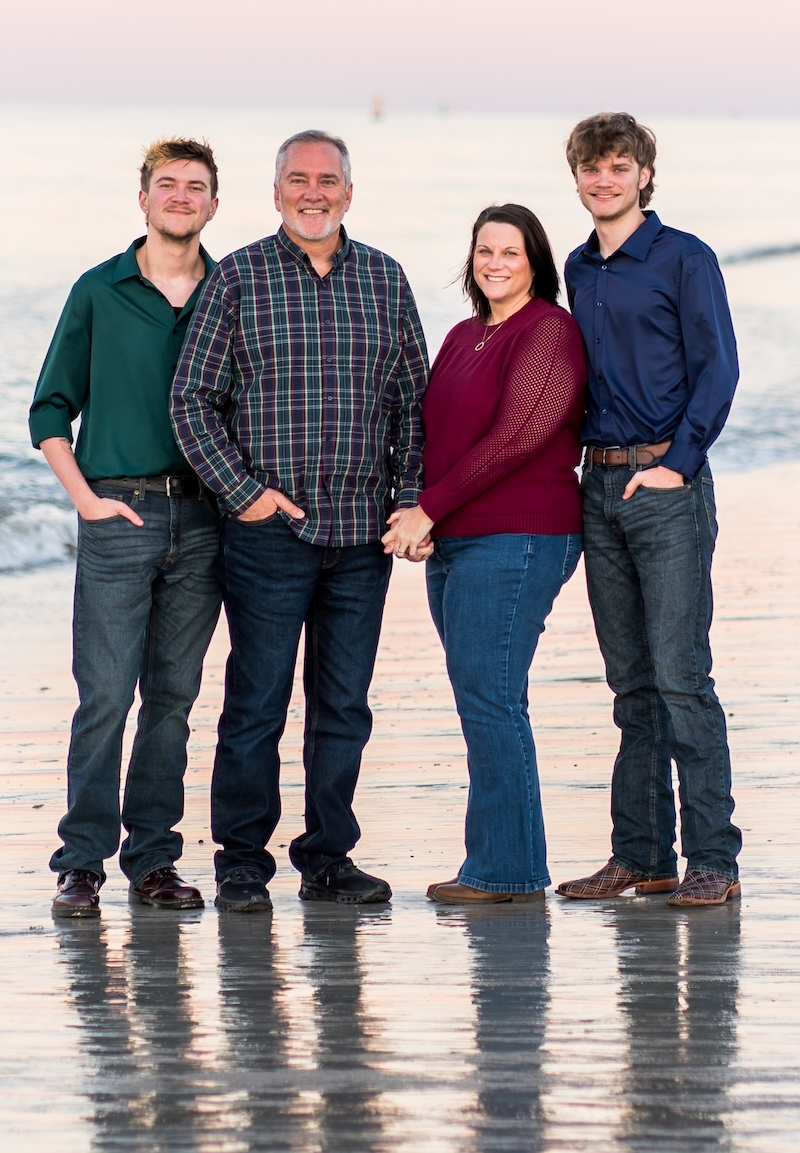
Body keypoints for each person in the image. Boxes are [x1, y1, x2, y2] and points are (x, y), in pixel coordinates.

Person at [171, 129, 430, 913]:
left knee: (344, 706)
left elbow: (415, 407)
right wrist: (241, 492)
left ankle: (328, 857)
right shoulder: (240, 278)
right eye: (297, 179)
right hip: (267, 536)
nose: (312, 192)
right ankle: (242, 862)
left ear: (349, 192)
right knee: (256, 702)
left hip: (361, 538)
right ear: (275, 191)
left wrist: (411, 499)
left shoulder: (385, 280)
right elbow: (190, 399)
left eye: (327, 180)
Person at [29, 138, 225, 918]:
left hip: (208, 520)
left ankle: (154, 861)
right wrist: (85, 499)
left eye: (196, 187)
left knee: (173, 699)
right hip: (119, 511)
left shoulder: (233, 289)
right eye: (167, 185)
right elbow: (50, 407)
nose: (181, 196)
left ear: (215, 205)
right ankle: (80, 863)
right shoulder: (98, 290)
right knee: (105, 694)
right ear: (142, 198)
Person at [553, 112, 744, 908]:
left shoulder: (683, 258)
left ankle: (713, 860)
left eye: (619, 167)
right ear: (577, 178)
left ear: (644, 174)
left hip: (665, 487)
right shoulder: (578, 266)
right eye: (591, 169)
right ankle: (641, 856)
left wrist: (679, 464)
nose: (605, 180)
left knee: (681, 678)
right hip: (598, 487)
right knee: (630, 685)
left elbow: (718, 369)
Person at [382, 204, 586, 904]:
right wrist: (419, 513)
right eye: (484, 251)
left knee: (492, 699)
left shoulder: (550, 331)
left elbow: (519, 437)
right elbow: (435, 436)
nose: (495, 263)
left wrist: (429, 508)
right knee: (484, 697)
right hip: (459, 540)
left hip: (523, 535)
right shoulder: (464, 334)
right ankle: (503, 861)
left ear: (536, 262)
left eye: (511, 252)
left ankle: (507, 871)